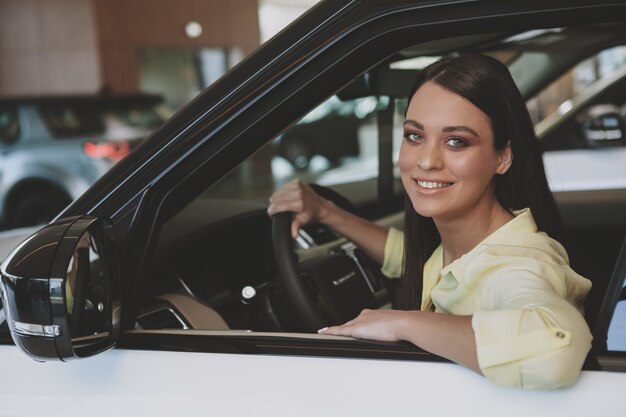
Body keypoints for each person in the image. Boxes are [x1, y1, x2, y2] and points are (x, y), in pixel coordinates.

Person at [267, 54, 592, 390]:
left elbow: (557, 348)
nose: (426, 160)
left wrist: (402, 323)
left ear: (502, 157)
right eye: (414, 135)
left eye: (457, 141)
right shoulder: (462, 248)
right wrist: (325, 211)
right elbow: (408, 257)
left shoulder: (517, 266)